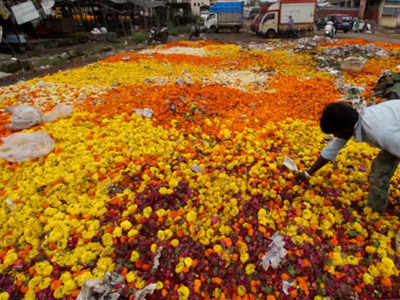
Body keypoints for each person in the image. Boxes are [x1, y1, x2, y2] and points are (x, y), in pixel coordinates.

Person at [296, 101, 400, 214]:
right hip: (394, 125)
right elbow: (331, 150)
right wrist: (309, 173)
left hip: (394, 134)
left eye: (335, 133)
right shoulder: (352, 122)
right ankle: (374, 211)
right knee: (380, 169)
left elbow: (391, 139)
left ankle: (375, 212)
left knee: (380, 171)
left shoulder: (382, 134)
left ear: (345, 129)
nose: (335, 136)